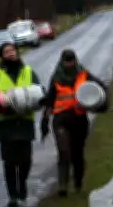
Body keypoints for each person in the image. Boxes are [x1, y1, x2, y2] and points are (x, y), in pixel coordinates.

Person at [0, 43, 42, 207]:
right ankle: (13, 196)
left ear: (17, 52)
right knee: (9, 162)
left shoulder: (28, 72)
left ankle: (22, 183)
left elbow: (40, 91)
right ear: (2, 56)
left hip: (24, 123)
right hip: (6, 125)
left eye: (12, 51)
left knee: (25, 161)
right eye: (6, 52)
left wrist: (38, 100)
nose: (10, 54)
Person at [40, 50, 109, 196]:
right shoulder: (56, 78)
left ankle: (78, 182)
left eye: (72, 61)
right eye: (67, 61)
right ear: (62, 61)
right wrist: (45, 120)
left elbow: (101, 88)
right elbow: (49, 101)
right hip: (60, 120)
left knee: (77, 153)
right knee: (64, 151)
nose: (70, 64)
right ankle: (63, 186)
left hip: (79, 120)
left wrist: (102, 103)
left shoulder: (84, 74)